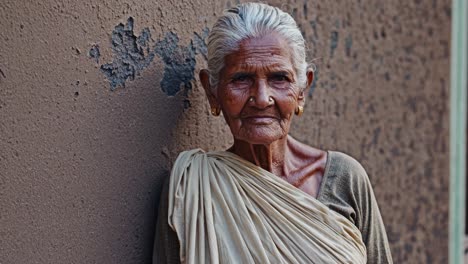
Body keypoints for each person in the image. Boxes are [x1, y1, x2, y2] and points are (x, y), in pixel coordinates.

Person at [153, 2, 393, 263]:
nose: (262, 98)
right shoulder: (191, 188)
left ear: (302, 89)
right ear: (212, 91)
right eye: (241, 79)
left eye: (279, 78)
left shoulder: (345, 180)